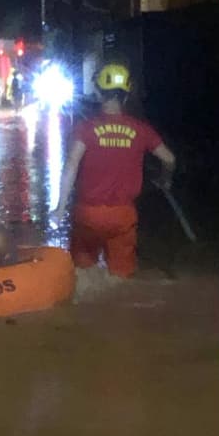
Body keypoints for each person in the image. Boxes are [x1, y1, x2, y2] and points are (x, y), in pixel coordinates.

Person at [50, 64, 176, 278]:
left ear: (99, 94)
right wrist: (166, 179)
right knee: (122, 278)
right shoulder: (141, 130)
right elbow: (170, 159)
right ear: (126, 96)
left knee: (81, 275)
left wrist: (60, 208)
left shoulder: (85, 128)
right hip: (123, 215)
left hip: (88, 214)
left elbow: (71, 165)